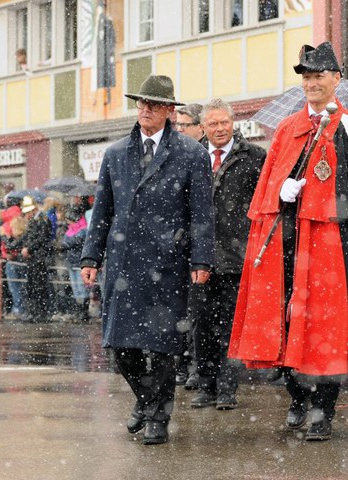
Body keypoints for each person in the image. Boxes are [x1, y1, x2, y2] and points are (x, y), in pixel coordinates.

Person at [228, 42, 348, 441]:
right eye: (306, 78)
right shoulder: (288, 130)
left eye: (318, 76)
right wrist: (283, 189)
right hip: (288, 248)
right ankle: (297, 396)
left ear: (336, 80)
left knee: (327, 331)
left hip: (334, 249)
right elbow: (266, 193)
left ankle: (322, 410)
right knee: (285, 325)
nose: (311, 84)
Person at [80, 75, 214, 445]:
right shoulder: (115, 153)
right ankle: (146, 398)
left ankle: (157, 417)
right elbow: (102, 211)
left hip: (169, 263)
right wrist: (91, 255)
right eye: (141, 103)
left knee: (164, 346)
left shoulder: (191, 154)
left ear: (170, 110)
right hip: (124, 263)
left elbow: (202, 214)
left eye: (153, 104)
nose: (145, 109)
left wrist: (201, 260)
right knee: (121, 346)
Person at [190, 98, 266, 410]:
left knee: (232, 328)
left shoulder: (253, 156)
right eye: (213, 124)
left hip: (237, 258)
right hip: (200, 258)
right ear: (203, 127)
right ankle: (205, 386)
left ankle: (227, 388)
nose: (220, 129)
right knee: (202, 327)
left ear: (232, 123)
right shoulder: (192, 157)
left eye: (225, 123)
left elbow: (263, 204)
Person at [173, 102, 204, 389]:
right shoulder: (173, 154)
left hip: (204, 249)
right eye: (177, 125)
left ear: (200, 126)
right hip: (178, 248)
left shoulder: (201, 156)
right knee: (180, 312)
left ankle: (197, 366)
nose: (179, 130)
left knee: (199, 315)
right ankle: (181, 362)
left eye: (185, 125)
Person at [20, 196, 52, 322]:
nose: (27, 215)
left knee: (40, 287)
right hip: (33, 258)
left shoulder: (42, 220)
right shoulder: (34, 220)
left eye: (28, 212)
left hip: (40, 258)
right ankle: (33, 312)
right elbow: (28, 238)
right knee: (31, 286)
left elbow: (42, 239)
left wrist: (29, 249)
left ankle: (41, 313)